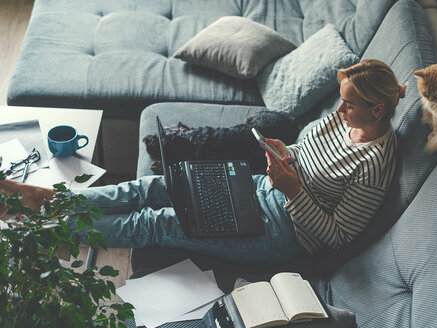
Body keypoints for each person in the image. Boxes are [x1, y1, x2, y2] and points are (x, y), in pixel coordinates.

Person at [0, 59, 405, 266]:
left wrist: (293, 190)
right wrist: (288, 152)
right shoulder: (342, 121)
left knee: (156, 221)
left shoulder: (374, 165)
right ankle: (45, 196)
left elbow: (336, 236)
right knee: (150, 188)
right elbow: (307, 151)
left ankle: (49, 221)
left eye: (348, 105)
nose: (338, 111)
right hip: (260, 185)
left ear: (378, 109)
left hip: (282, 231)